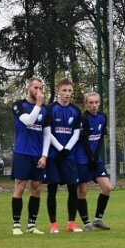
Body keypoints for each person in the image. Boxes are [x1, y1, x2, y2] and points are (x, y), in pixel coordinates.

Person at [42, 78, 88, 233]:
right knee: (52, 188)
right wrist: (60, 149)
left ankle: (71, 223)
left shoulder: (76, 111)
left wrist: (66, 150)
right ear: (58, 91)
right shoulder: (49, 109)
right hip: (54, 156)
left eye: (69, 91)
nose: (67, 94)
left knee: (73, 188)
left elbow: (76, 134)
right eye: (64, 90)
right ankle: (53, 225)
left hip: (69, 156)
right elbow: (47, 133)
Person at [10, 77, 49, 235]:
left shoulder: (45, 110)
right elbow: (28, 121)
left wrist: (44, 155)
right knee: (20, 186)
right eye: (35, 88)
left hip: (37, 155)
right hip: (22, 152)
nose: (38, 91)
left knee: (37, 187)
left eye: (40, 88)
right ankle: (16, 225)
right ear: (28, 88)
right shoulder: (18, 105)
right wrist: (38, 105)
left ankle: (32, 225)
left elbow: (47, 134)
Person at [75, 92, 112, 229]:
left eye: (96, 102)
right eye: (91, 103)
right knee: (83, 190)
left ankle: (98, 219)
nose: (94, 105)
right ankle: (86, 223)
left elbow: (101, 137)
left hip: (95, 159)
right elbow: (83, 141)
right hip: (83, 159)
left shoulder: (103, 117)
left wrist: (95, 156)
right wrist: (90, 156)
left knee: (107, 187)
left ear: (99, 103)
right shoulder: (83, 118)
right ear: (86, 104)